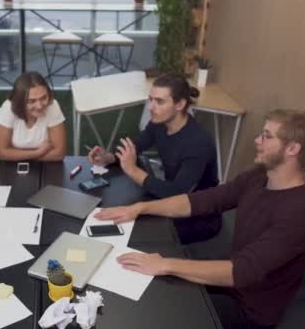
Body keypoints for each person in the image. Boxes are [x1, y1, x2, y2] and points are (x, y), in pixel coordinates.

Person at [95, 109, 305, 329]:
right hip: (230, 283)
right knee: (155, 286)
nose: (257, 140)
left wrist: (164, 263)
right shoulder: (258, 177)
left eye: (266, 136)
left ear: (293, 148)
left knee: (163, 311)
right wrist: (140, 208)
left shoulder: (301, 214)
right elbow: (202, 201)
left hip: (251, 310)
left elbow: (241, 271)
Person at [88, 72, 220, 244]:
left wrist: (134, 171)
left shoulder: (198, 143)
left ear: (180, 104)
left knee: (132, 232)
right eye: (151, 99)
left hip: (199, 216)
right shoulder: (160, 123)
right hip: (171, 199)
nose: (151, 107)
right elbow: (138, 143)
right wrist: (109, 157)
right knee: (121, 216)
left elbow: (177, 194)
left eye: (160, 101)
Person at [0, 71, 66, 161]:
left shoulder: (52, 106)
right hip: (10, 168)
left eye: (43, 98)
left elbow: (59, 154)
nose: (39, 106)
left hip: (43, 168)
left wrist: (16, 154)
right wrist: (37, 153)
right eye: (31, 101)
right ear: (19, 101)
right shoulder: (8, 107)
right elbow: (2, 153)